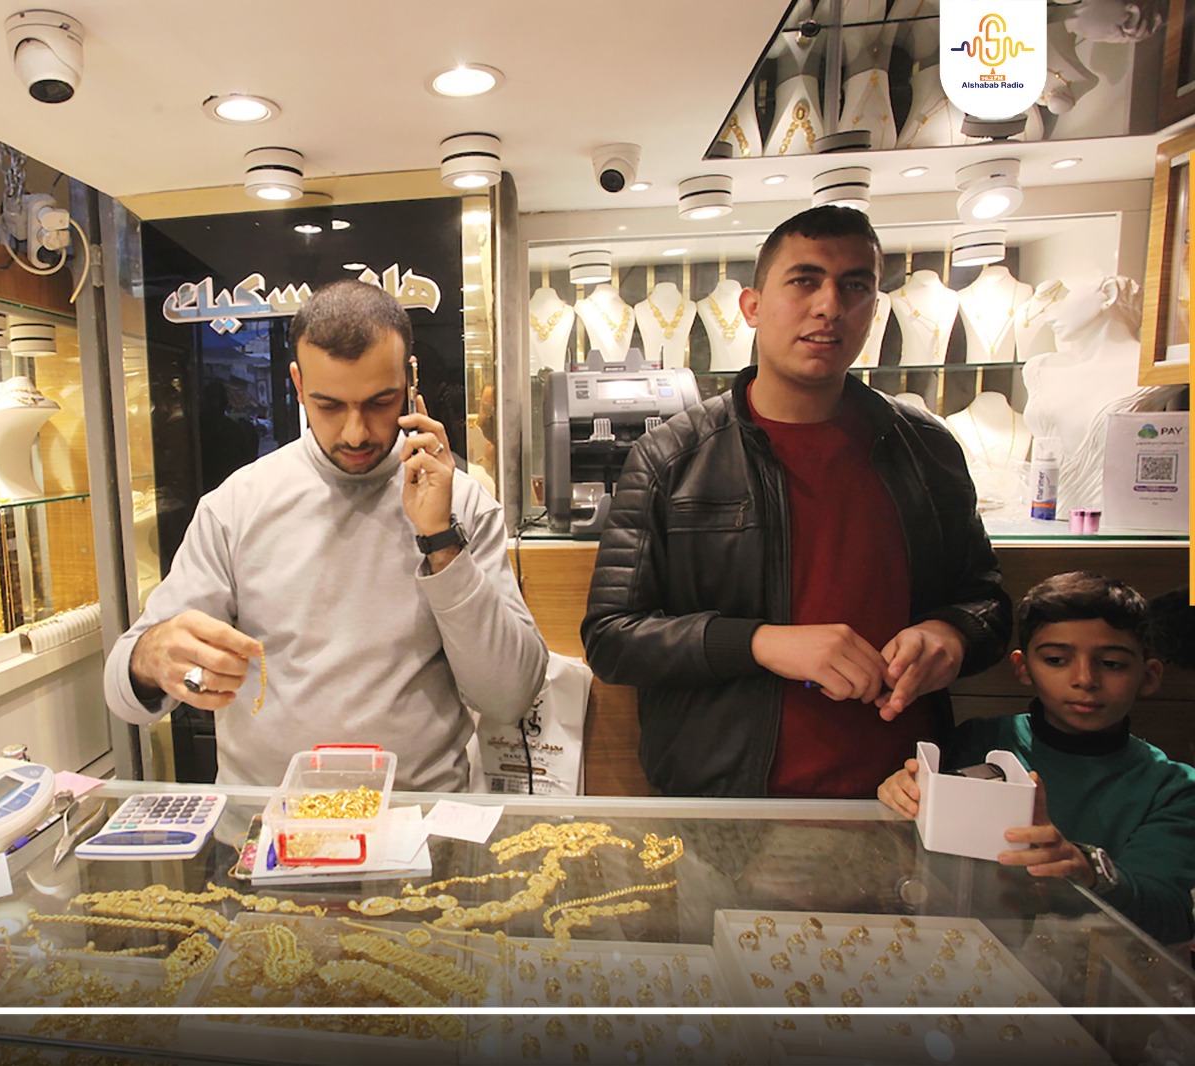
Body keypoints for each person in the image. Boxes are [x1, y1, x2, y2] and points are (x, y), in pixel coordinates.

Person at [582, 206, 1011, 797]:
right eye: (805, 280)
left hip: (905, 794)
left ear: (874, 308)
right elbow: (612, 639)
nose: (829, 306)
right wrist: (761, 643)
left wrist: (951, 635)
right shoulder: (671, 457)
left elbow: (987, 600)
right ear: (753, 306)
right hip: (727, 800)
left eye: (854, 286)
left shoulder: (926, 450)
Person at [105, 280, 547, 792]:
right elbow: (122, 695)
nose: (356, 432)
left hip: (419, 818)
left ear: (409, 381)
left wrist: (441, 542)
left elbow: (510, 697)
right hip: (269, 819)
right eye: (329, 405)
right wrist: (151, 658)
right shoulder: (236, 507)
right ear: (297, 383)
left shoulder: (462, 503)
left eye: (380, 402)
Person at [878, 572, 1195, 943]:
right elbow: (919, 865)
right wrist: (900, 798)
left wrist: (1088, 871)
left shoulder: (1172, 788)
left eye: (1111, 663)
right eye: (1057, 659)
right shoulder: (977, 741)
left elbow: (1169, 912)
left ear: (1149, 675)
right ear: (1023, 668)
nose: (1084, 679)